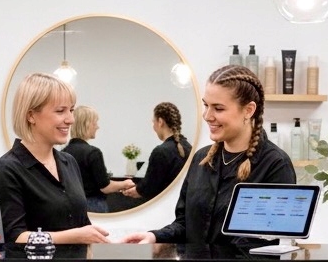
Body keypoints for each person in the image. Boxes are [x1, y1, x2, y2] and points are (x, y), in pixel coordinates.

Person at [119, 65, 295, 244]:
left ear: (249, 110)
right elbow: (184, 224)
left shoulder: (275, 164)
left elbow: (263, 244)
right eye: (206, 105)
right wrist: (155, 237)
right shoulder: (201, 159)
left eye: (218, 108)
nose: (207, 116)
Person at [0, 73, 111, 244]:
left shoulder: (69, 162)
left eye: (71, 110)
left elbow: (81, 224)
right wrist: (75, 236)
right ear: (31, 116)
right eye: (60, 111)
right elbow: (13, 237)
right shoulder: (7, 170)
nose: (70, 119)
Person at [62, 105, 133, 213]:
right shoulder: (93, 153)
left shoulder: (63, 153)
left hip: (70, 206)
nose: (97, 127)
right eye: (95, 123)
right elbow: (105, 187)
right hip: (93, 206)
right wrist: (125, 184)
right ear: (87, 124)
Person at [121, 101, 193, 202]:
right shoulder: (188, 147)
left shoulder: (161, 152)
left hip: (166, 206)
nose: (153, 126)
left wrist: (135, 190)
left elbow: (150, 187)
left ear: (160, 122)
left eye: (153, 122)